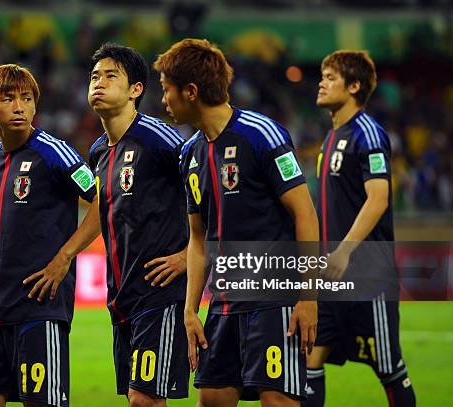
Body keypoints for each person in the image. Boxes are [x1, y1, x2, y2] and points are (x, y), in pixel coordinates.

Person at [154, 38, 319, 407]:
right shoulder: (190, 154)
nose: (164, 100)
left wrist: (308, 297)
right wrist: (190, 310)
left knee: (278, 401)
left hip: (274, 301)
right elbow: (198, 240)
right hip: (224, 304)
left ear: (191, 91)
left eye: (167, 90)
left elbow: (305, 214)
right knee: (211, 398)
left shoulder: (262, 134)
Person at [24, 43, 190, 407]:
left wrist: (188, 256)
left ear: (136, 90)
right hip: (122, 296)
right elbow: (102, 209)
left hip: (159, 292)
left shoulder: (159, 139)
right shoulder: (99, 150)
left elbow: (207, 189)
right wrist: (67, 254)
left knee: (143, 400)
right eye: (94, 76)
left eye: (111, 75)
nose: (99, 82)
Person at [0, 64, 96, 407]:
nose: (20, 106)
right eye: (9, 99)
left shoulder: (54, 152)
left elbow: (102, 200)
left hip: (38, 309)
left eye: (27, 99)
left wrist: (64, 258)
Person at [304, 50, 416, 407]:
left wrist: (344, 251)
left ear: (354, 86)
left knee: (389, 368)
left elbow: (379, 198)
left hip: (367, 277)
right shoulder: (331, 137)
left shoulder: (368, 133)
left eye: (331, 77)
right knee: (309, 360)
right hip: (329, 277)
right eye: (322, 75)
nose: (321, 82)